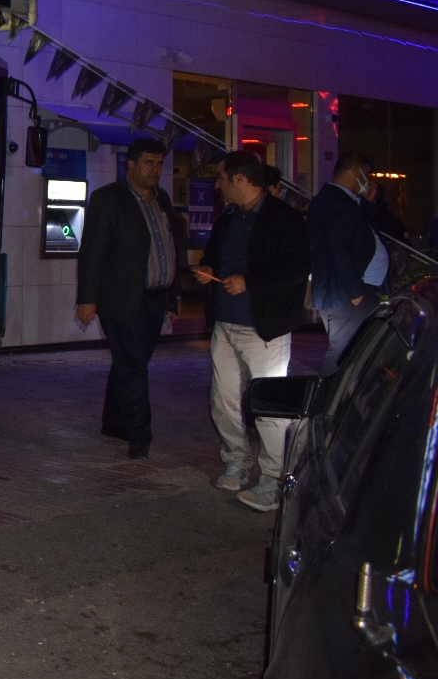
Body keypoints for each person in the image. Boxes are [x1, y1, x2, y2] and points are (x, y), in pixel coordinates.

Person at [194, 152, 310, 511]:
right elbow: (214, 254)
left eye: (221, 178)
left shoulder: (285, 218)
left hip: (265, 329)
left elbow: (296, 267)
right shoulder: (229, 217)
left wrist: (250, 282)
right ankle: (237, 462)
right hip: (226, 324)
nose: (217, 184)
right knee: (223, 400)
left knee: (269, 408)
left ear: (241, 180)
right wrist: (206, 268)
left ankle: (274, 480)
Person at [75, 136, 184, 458]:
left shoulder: (161, 199)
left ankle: (114, 423)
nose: (155, 170)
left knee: (129, 363)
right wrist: (87, 299)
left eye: (160, 163)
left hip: (155, 297)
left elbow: (171, 249)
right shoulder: (109, 199)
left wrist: (174, 297)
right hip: (121, 300)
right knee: (134, 366)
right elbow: (92, 252)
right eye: (149, 163)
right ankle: (140, 435)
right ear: (131, 165)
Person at [308, 152, 386, 375]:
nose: (368, 180)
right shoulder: (336, 202)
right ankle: (325, 405)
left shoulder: (340, 200)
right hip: (348, 296)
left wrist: (367, 205)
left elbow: (357, 236)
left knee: (352, 353)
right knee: (343, 355)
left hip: (348, 293)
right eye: (366, 174)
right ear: (356, 172)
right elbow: (339, 249)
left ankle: (337, 403)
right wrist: (356, 294)